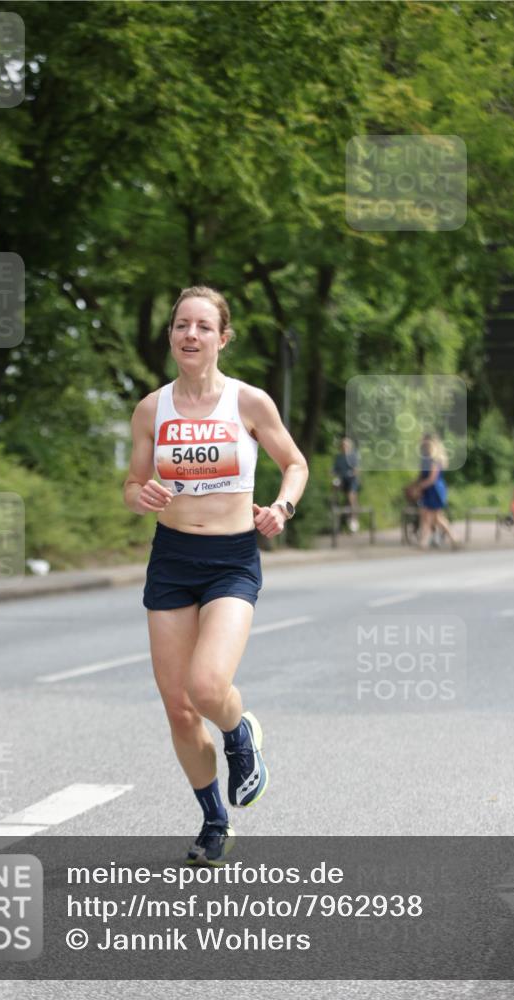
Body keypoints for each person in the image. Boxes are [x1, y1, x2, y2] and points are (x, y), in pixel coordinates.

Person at [123, 285, 309, 865]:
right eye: (182, 325)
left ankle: (239, 733)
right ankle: (212, 818)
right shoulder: (152, 409)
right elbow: (131, 487)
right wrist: (142, 494)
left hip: (231, 559)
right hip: (172, 559)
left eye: (204, 326)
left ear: (222, 338)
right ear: (172, 335)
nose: (191, 335)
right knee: (179, 708)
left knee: (207, 688)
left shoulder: (249, 403)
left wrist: (281, 508)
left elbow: (295, 464)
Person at [411, 433, 458, 549]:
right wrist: (415, 485)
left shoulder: (435, 460)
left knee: (432, 516)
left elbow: (432, 479)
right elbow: (421, 476)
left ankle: (425, 542)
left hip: (435, 491)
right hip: (428, 490)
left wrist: (419, 487)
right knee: (430, 516)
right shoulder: (425, 458)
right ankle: (426, 541)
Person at [332, 437, 360, 531]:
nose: (344, 447)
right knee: (334, 485)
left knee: (351, 495)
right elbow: (335, 469)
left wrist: (352, 473)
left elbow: (357, 470)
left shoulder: (353, 457)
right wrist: (331, 472)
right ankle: (335, 506)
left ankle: (354, 518)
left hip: (352, 480)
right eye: (343, 445)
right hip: (342, 480)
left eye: (346, 445)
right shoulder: (339, 458)